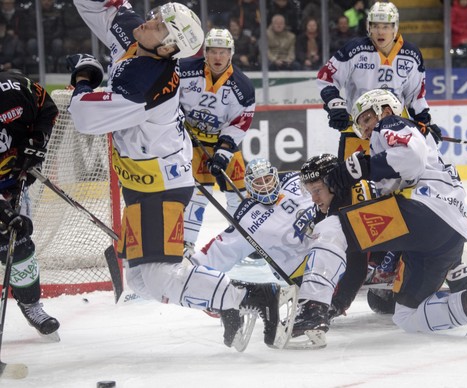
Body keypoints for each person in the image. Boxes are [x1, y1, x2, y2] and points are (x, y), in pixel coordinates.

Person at [67, 0, 292, 351]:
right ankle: (226, 301)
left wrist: (83, 79)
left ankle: (254, 295)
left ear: (169, 46)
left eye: (158, 23)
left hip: (161, 185)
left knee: (158, 277)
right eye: (155, 15)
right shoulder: (142, 39)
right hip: (143, 180)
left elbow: (84, 117)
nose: (149, 21)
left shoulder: (147, 82)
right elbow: (105, 9)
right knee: (140, 280)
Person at [324, 88, 467, 338]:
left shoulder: (391, 122)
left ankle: (314, 306)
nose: (363, 131)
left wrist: (360, 168)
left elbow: (409, 160)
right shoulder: (403, 136)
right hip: (446, 232)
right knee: (405, 316)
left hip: (423, 211)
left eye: (365, 120)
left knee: (339, 229)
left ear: (384, 109)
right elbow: (399, 173)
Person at [192, 157, 377, 348]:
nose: (265, 186)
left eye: (268, 179)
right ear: (249, 186)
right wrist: (192, 274)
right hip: (304, 273)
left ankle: (378, 271)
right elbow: (218, 251)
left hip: (334, 250)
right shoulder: (246, 218)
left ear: (275, 175)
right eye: (258, 182)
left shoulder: (294, 182)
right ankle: (325, 306)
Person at [316, 1, 440, 161]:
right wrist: (335, 106)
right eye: (375, 26)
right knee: (354, 184)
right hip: (359, 129)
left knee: (396, 184)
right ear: (369, 27)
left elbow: (415, 97)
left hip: (395, 131)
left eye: (386, 26)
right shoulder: (355, 50)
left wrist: (425, 123)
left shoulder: (412, 55)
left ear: (395, 28)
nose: (380, 32)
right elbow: (326, 78)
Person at [179, 28, 255, 255]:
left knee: (240, 193)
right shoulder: (184, 71)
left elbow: (239, 123)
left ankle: (245, 239)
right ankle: (186, 243)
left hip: (222, 143)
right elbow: (167, 97)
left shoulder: (243, 88)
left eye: (223, 52)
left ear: (230, 53)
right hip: (191, 142)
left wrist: (223, 153)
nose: (218, 57)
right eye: (213, 51)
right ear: (205, 52)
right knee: (198, 194)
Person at [0, 69, 60, 339]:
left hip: (11, 179)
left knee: (19, 244)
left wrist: (36, 141)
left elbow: (46, 108)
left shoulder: (14, 88)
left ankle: (31, 305)